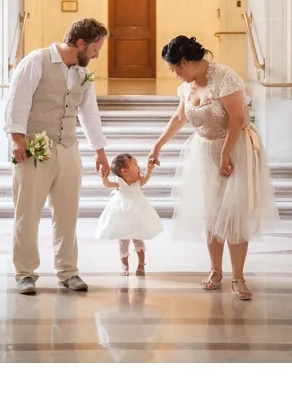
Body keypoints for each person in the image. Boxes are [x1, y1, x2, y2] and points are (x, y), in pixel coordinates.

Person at [149, 36, 279, 301]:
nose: (174, 75)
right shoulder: (186, 87)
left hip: (235, 148)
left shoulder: (224, 77)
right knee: (211, 212)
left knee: (234, 212)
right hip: (204, 150)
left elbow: (237, 118)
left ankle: (238, 277)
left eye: (174, 69)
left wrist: (225, 154)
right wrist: (157, 146)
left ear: (185, 62)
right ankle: (215, 270)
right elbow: (179, 117)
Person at [5, 18, 110, 295]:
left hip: (68, 148)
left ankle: (68, 271)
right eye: (95, 49)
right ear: (80, 43)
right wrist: (16, 139)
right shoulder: (36, 61)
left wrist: (99, 151)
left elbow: (89, 113)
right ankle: (25, 273)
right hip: (34, 147)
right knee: (27, 214)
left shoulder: (83, 73)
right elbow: (18, 100)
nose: (96, 55)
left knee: (67, 214)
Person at [96, 153, 164, 276]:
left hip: (136, 215)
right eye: (135, 165)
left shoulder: (137, 181)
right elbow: (107, 184)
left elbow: (145, 179)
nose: (138, 167)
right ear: (125, 171)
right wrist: (104, 178)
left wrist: (149, 170)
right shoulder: (119, 183)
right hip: (123, 217)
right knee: (123, 243)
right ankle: (125, 265)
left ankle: (141, 264)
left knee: (138, 240)